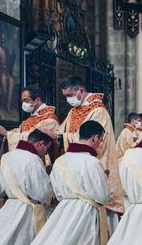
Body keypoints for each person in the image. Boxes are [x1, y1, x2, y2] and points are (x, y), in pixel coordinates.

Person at [49, 76, 123, 218]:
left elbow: (89, 139)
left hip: (94, 166)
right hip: (78, 168)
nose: (68, 99)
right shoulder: (74, 111)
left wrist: (59, 137)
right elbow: (62, 132)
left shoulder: (98, 111)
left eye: (70, 95)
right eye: (65, 96)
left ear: (81, 90)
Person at [0, 130, 53, 245]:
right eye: (46, 148)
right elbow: (41, 191)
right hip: (26, 208)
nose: (45, 153)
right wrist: (48, 195)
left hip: (10, 204)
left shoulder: (6, 156)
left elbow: (1, 186)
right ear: (40, 144)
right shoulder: (33, 159)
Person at [0, 85, 60, 154]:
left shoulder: (49, 119)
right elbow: (19, 133)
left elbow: (33, 139)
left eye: (26, 100)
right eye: (23, 101)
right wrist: (1, 133)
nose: (24, 103)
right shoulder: (29, 120)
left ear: (37, 100)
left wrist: (7, 134)